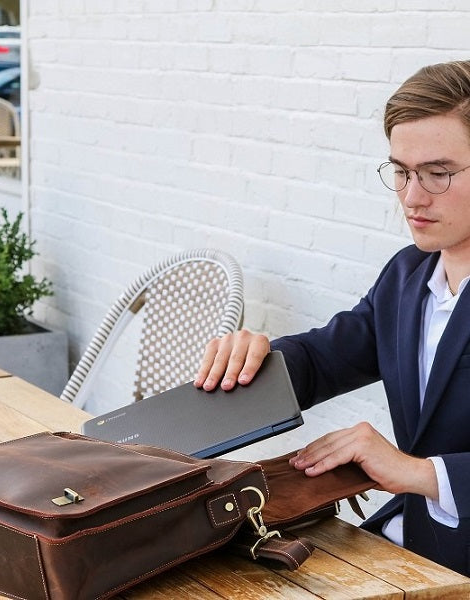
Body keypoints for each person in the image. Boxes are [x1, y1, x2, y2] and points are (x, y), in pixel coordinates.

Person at [194, 60, 470, 576]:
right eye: (402, 172)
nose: (412, 197)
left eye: (438, 174)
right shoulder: (409, 275)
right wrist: (258, 361)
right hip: (404, 541)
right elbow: (328, 357)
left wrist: (419, 472)